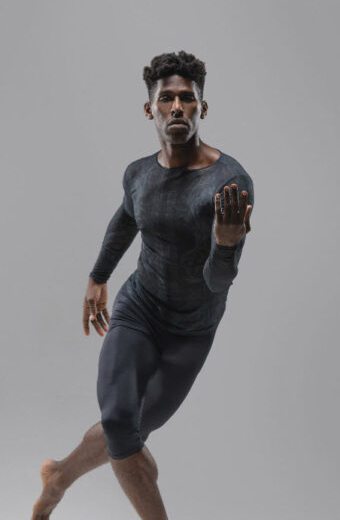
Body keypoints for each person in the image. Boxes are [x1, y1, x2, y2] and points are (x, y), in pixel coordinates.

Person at [31, 50, 254, 520]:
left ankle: (58, 477)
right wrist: (98, 276)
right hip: (139, 308)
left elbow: (217, 282)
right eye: (167, 98)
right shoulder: (139, 173)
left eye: (187, 99)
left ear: (202, 108)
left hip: (192, 329)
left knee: (128, 432)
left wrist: (226, 244)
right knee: (118, 423)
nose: (177, 107)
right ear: (149, 109)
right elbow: (127, 217)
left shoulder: (228, 183)